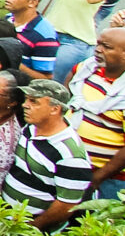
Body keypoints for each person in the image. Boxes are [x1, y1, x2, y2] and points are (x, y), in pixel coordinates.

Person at [5, 77, 93, 228]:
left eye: (34, 102)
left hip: (32, 231)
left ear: (55, 109)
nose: (25, 105)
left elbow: (66, 205)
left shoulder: (70, 154)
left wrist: (32, 228)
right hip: (5, 219)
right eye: (26, 99)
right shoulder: (30, 128)